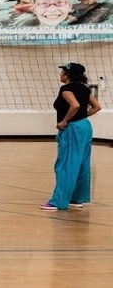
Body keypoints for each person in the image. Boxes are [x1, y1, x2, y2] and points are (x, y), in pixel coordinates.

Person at [42, 63, 101, 211]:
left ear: (67, 75)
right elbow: (97, 107)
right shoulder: (84, 89)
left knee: (65, 164)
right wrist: (81, 116)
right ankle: (76, 199)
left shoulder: (66, 89)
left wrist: (64, 121)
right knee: (81, 163)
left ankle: (58, 201)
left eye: (63, 72)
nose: (61, 74)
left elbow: (74, 105)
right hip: (85, 127)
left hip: (73, 129)